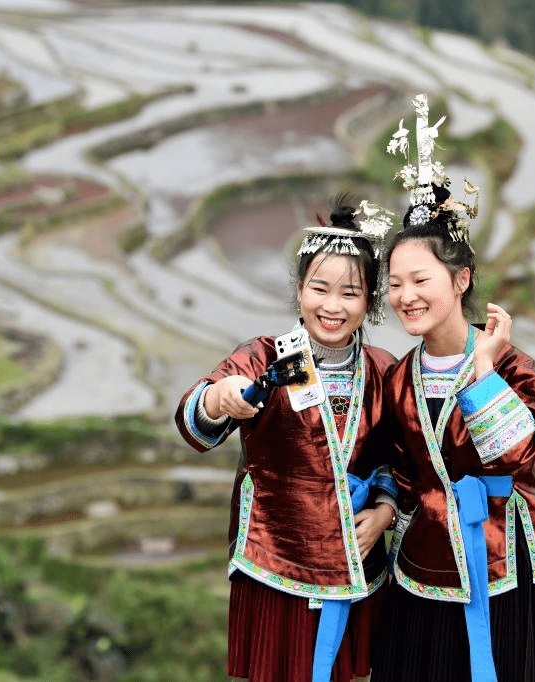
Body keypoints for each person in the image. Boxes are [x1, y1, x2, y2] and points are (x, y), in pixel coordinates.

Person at [370, 94, 535, 682]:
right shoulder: (398, 379)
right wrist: (383, 507)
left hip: (514, 556)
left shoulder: (512, 365)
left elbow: (519, 456)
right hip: (429, 556)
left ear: (461, 279)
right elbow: (400, 472)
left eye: (420, 279)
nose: (405, 296)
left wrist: (481, 373)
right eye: (395, 283)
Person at [175, 197, 400, 682]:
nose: (332, 306)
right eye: (319, 288)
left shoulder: (383, 371)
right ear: (299, 290)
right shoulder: (265, 358)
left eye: (350, 293)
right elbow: (197, 417)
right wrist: (221, 397)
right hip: (274, 557)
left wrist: (383, 512)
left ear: (370, 301)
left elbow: (395, 461)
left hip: (356, 565)